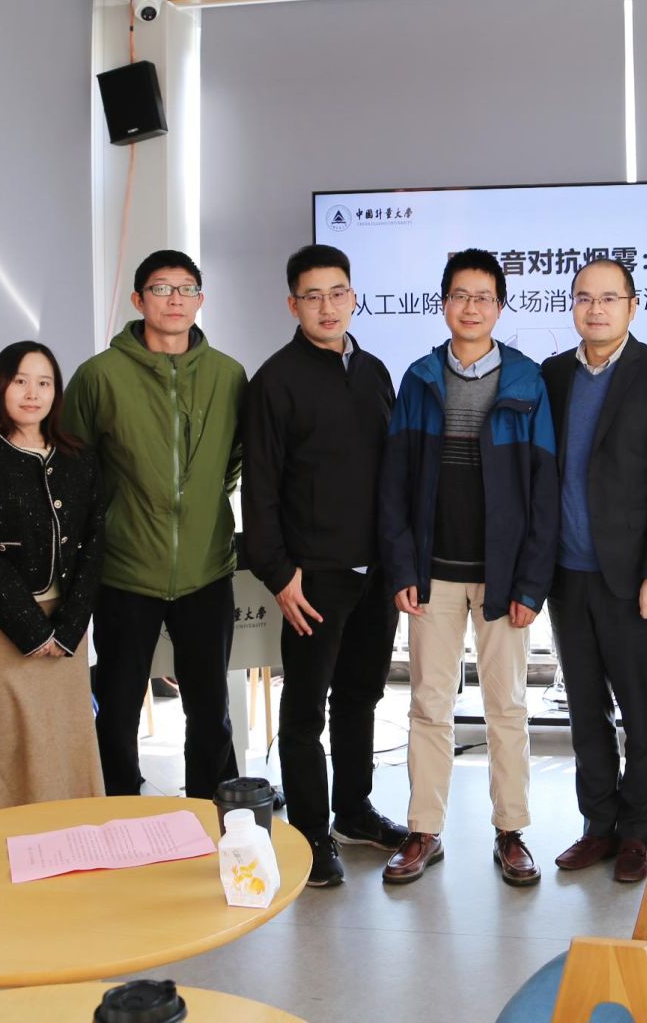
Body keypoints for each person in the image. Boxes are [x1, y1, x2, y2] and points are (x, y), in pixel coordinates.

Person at [379, 248, 559, 886]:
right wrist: (402, 566)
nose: (472, 307)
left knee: (507, 705)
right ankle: (423, 830)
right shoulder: (420, 378)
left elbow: (543, 489)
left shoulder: (526, 381)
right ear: (444, 303)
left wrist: (532, 582)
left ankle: (511, 831)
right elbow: (395, 482)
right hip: (433, 574)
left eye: (484, 297)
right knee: (429, 703)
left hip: (502, 576)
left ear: (500, 307)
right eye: (460, 295)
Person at [242, 244, 407, 890]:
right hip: (312, 578)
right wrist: (279, 574)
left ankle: (354, 811)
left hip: (376, 573)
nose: (327, 307)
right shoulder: (275, 380)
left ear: (354, 297)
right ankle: (312, 831)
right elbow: (260, 487)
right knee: (306, 709)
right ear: (293, 305)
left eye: (338, 293)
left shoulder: (373, 371)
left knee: (362, 695)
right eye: (312, 296)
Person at [67, 249, 247, 800]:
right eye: (162, 288)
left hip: (205, 567)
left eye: (186, 288)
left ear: (200, 299)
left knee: (210, 708)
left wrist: (198, 504)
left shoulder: (228, 375)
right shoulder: (99, 376)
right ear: (138, 299)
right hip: (124, 569)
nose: (175, 299)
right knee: (117, 706)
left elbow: (233, 462)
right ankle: (120, 811)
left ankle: (209, 812)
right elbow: (75, 468)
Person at [542, 258, 647, 884]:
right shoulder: (553, 374)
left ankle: (637, 832)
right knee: (585, 711)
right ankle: (598, 825)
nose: (596, 309)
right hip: (566, 574)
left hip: (634, 579)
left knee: (641, 711)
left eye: (609, 298)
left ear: (633, 306)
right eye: (584, 298)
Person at [0, 341, 106, 812]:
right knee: (7, 740)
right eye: (20, 381)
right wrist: (32, 630)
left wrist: (70, 628)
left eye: (44, 383)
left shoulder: (78, 457)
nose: (33, 394)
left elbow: (95, 542)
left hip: (66, 624)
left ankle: (77, 834)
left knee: (70, 739)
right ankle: (10, 841)